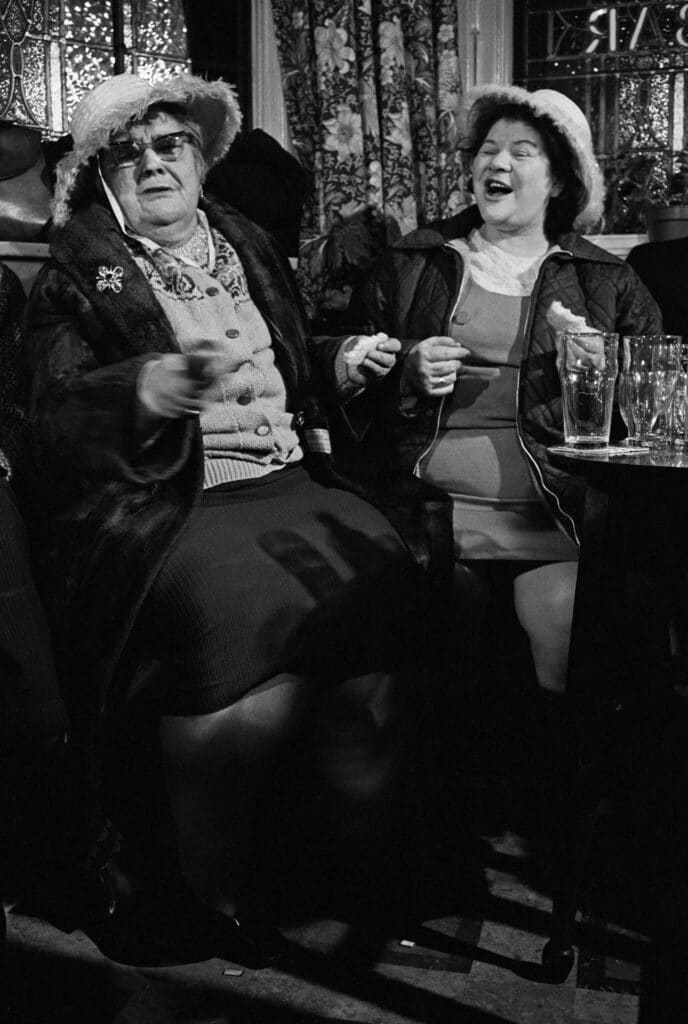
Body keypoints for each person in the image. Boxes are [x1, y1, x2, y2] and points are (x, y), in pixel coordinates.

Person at [22, 73, 449, 967]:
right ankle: (206, 888)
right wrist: (145, 386)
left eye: (169, 144)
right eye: (129, 150)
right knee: (244, 600)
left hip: (292, 478)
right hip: (172, 500)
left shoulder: (246, 243)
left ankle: (344, 863)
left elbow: (290, 356)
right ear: (101, 173)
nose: (152, 161)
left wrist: (346, 361)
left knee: (385, 579)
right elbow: (50, 419)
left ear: (200, 156)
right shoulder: (77, 276)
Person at [320, 84, 663, 711]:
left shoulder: (607, 280)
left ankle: (552, 798)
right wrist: (406, 372)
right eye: (487, 150)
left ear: (560, 181)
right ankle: (445, 798)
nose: (496, 163)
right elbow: (341, 370)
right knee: (432, 639)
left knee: (567, 639)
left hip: (553, 511)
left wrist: (599, 377)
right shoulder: (417, 261)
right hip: (429, 512)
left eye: (522, 152)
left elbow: (655, 414)